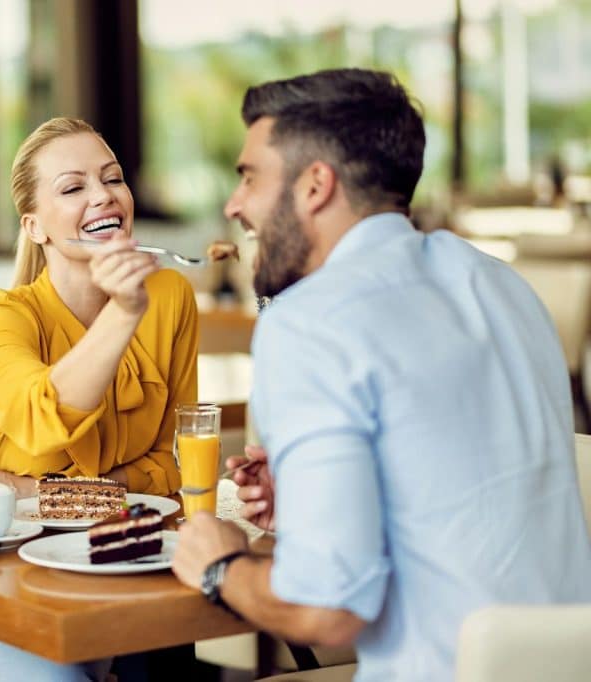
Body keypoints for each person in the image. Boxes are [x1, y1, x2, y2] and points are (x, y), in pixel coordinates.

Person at [172, 68, 591, 681]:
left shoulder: (310, 322)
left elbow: (328, 612)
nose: (236, 205)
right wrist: (316, 503)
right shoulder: (503, 287)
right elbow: (474, 497)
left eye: (249, 176)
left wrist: (221, 566)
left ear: (315, 185)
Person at [0, 117, 197, 681]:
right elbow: (44, 421)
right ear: (35, 227)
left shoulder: (170, 296)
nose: (104, 195)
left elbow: (168, 466)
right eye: (73, 187)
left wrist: (44, 492)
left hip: (93, 568)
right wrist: (124, 314)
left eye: (113, 178)